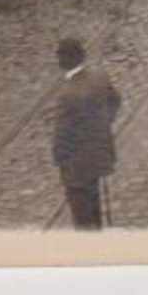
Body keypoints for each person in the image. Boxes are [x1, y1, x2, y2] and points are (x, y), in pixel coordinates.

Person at [51, 38, 122, 231]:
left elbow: (62, 137)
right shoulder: (99, 75)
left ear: (65, 59)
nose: (58, 59)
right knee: (94, 201)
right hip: (99, 155)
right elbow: (115, 101)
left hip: (77, 165)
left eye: (60, 55)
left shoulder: (68, 94)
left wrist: (60, 161)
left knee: (82, 214)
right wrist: (101, 126)